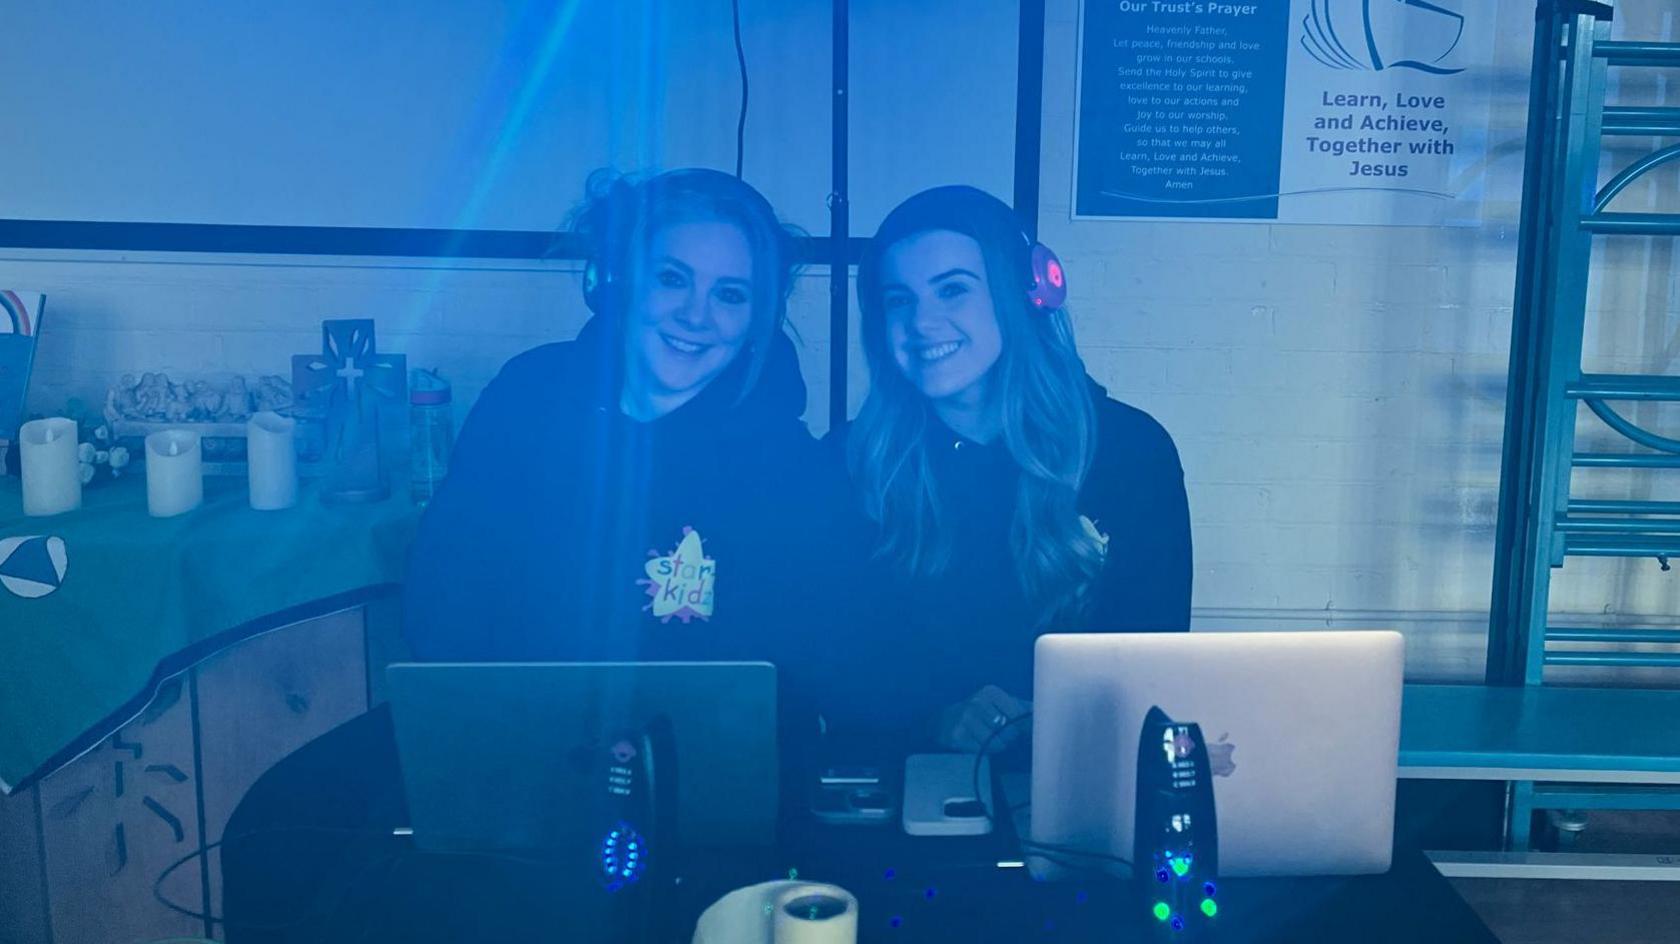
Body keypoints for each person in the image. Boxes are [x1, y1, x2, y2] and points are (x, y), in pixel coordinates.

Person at [222, 168, 835, 942]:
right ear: (614, 279)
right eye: (671, 278)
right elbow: (442, 602)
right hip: (506, 738)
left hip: (685, 765)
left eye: (731, 294)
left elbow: (789, 661)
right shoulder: (530, 392)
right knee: (277, 826)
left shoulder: (787, 459)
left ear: (758, 316)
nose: (696, 314)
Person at [836, 185, 1192, 754]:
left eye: (952, 290)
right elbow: (835, 666)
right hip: (910, 784)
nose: (922, 323)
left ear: (1022, 295)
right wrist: (936, 721)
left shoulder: (1131, 452)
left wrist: (1046, 722)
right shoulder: (849, 461)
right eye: (899, 300)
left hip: (1087, 772)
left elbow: (1155, 653)